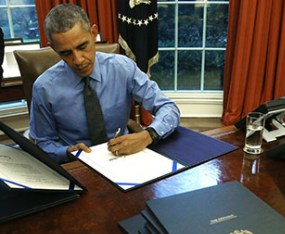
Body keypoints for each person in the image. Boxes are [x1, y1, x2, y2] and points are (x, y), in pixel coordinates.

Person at [29, 4, 180, 163]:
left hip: (123, 157)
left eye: (83, 46)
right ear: (53, 48)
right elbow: (43, 143)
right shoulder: (44, 88)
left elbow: (168, 108)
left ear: (93, 34)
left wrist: (148, 135)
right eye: (66, 53)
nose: (78, 60)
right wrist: (66, 152)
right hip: (76, 164)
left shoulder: (123, 68)